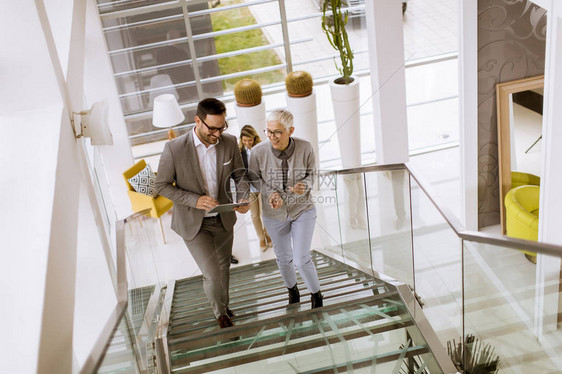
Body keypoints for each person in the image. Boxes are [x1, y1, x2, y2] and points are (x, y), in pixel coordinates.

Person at [155, 98, 250, 328]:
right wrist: (195, 200)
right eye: (212, 128)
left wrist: (243, 197)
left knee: (224, 266)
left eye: (222, 127)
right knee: (212, 273)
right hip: (193, 223)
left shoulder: (228, 142)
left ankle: (224, 306)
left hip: (224, 218)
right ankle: (220, 314)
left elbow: (240, 176)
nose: (217, 134)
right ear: (198, 121)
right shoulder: (174, 148)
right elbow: (161, 185)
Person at [248, 108, 323, 309]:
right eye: (268, 131)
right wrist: (269, 193)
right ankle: (293, 291)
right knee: (283, 259)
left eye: (278, 132)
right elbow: (254, 179)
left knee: (300, 258)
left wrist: (304, 186)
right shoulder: (257, 152)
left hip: (303, 210)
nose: (272, 137)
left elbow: (313, 175)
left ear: (291, 130)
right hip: (274, 214)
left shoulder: (305, 147)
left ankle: (316, 296)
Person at [239, 125, 273, 251]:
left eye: (249, 140)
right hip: (250, 188)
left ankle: (268, 234)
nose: (247, 143)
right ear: (241, 140)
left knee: (265, 213)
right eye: (244, 141)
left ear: (254, 138)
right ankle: (261, 237)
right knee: (254, 215)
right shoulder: (239, 153)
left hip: (262, 186)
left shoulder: (261, 149)